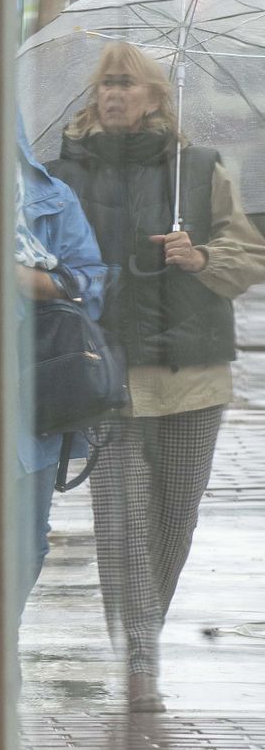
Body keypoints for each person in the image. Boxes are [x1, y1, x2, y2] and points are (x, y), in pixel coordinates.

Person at [48, 41, 265, 711]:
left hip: (191, 375)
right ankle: (141, 647)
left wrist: (198, 256)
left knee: (174, 515)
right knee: (119, 518)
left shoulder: (198, 171)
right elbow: (37, 256)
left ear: (154, 98)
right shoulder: (63, 176)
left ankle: (145, 628)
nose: (114, 94)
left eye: (128, 84)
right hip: (101, 373)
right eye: (106, 83)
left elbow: (248, 255)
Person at [14, 121, 107, 613]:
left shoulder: (51, 199)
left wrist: (34, 282)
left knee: (28, 545)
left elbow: (91, 282)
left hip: (35, 396)